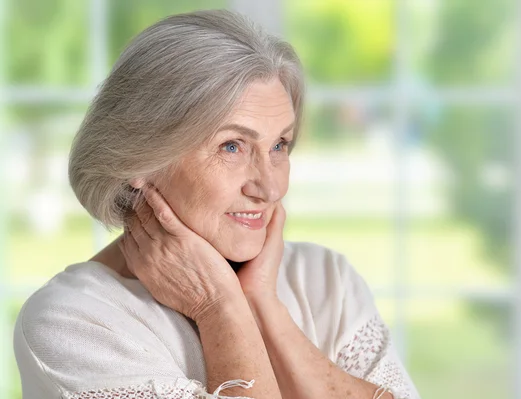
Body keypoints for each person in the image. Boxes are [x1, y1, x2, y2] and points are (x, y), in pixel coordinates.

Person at [13, 10, 420, 399]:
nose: (271, 185)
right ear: (140, 159)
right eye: (232, 146)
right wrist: (219, 307)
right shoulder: (75, 321)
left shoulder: (327, 280)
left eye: (279, 144)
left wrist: (262, 304)